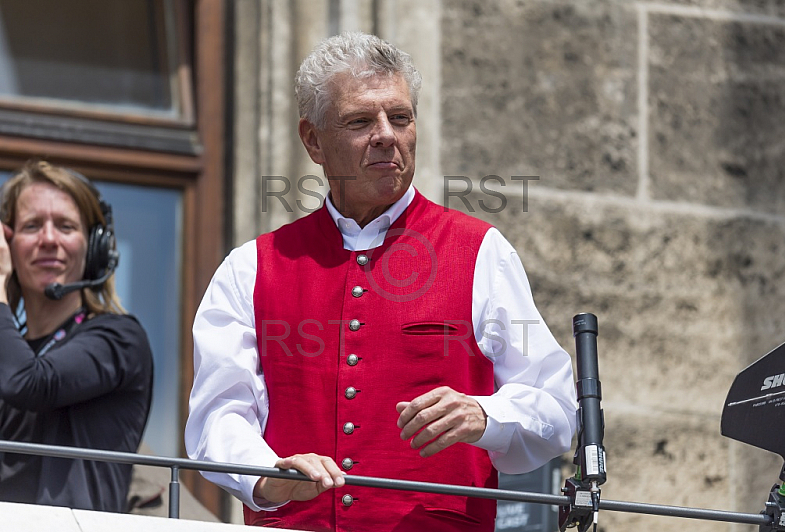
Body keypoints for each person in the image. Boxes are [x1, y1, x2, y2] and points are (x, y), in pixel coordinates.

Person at [186, 32, 577, 531]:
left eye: (400, 117)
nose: (386, 135)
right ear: (313, 141)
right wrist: (268, 478)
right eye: (360, 121)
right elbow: (218, 416)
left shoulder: (479, 251)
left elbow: (557, 406)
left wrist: (486, 415)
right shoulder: (252, 268)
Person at [0, 159, 153, 513]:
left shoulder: (120, 339)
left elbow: (30, 383)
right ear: (9, 243)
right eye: (32, 225)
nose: (48, 239)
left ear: (94, 247)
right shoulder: (8, 351)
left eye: (66, 226)